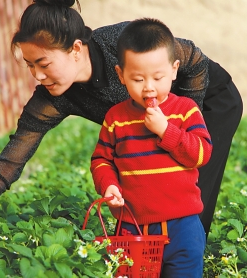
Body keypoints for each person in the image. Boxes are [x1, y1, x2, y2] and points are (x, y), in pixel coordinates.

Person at [0, 0, 243, 237]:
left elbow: (191, 56)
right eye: (29, 65)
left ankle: (189, 258)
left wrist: (180, 123)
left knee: (185, 194)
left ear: (75, 49)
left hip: (212, 101)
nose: (37, 75)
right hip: (156, 123)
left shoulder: (118, 44)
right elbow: (6, 165)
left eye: (44, 63)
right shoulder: (53, 97)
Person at [90, 17, 212, 277]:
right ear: (120, 75)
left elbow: (201, 153)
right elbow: (102, 159)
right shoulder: (115, 118)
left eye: (158, 77)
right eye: (137, 79)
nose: (149, 88)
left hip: (183, 226)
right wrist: (108, 184)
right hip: (132, 228)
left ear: (174, 69)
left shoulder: (184, 110)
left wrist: (166, 130)